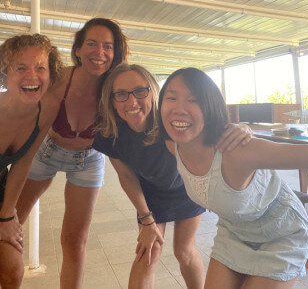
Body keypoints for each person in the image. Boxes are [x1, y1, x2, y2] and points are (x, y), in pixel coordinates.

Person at [158, 67, 308, 288]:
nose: (179, 109)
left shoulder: (235, 150)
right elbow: (135, 118)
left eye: (193, 100)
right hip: (234, 233)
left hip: (280, 234)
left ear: (210, 107)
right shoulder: (172, 145)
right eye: (171, 98)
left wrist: (244, 129)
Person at [93, 63, 253, 289]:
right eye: (121, 94)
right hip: (150, 193)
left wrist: (241, 128)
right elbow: (126, 176)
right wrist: (147, 219)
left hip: (186, 188)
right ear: (111, 99)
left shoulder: (168, 121)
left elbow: (207, 127)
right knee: (148, 252)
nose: (132, 102)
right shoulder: (111, 132)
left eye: (140, 91)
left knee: (183, 250)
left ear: (153, 92)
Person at [16, 18, 129, 289]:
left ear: (115, 54)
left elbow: (145, 118)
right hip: (46, 152)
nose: (99, 52)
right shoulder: (57, 80)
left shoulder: (115, 90)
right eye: (91, 43)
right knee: (10, 224)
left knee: (75, 240)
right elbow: (23, 112)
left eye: (107, 46)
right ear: (78, 49)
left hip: (88, 160)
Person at [0, 33, 63, 289]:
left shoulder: (46, 109)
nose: (32, 76)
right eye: (21, 68)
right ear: (5, 74)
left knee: (13, 269)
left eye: (40, 68)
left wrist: (6, 217)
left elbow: (23, 162)